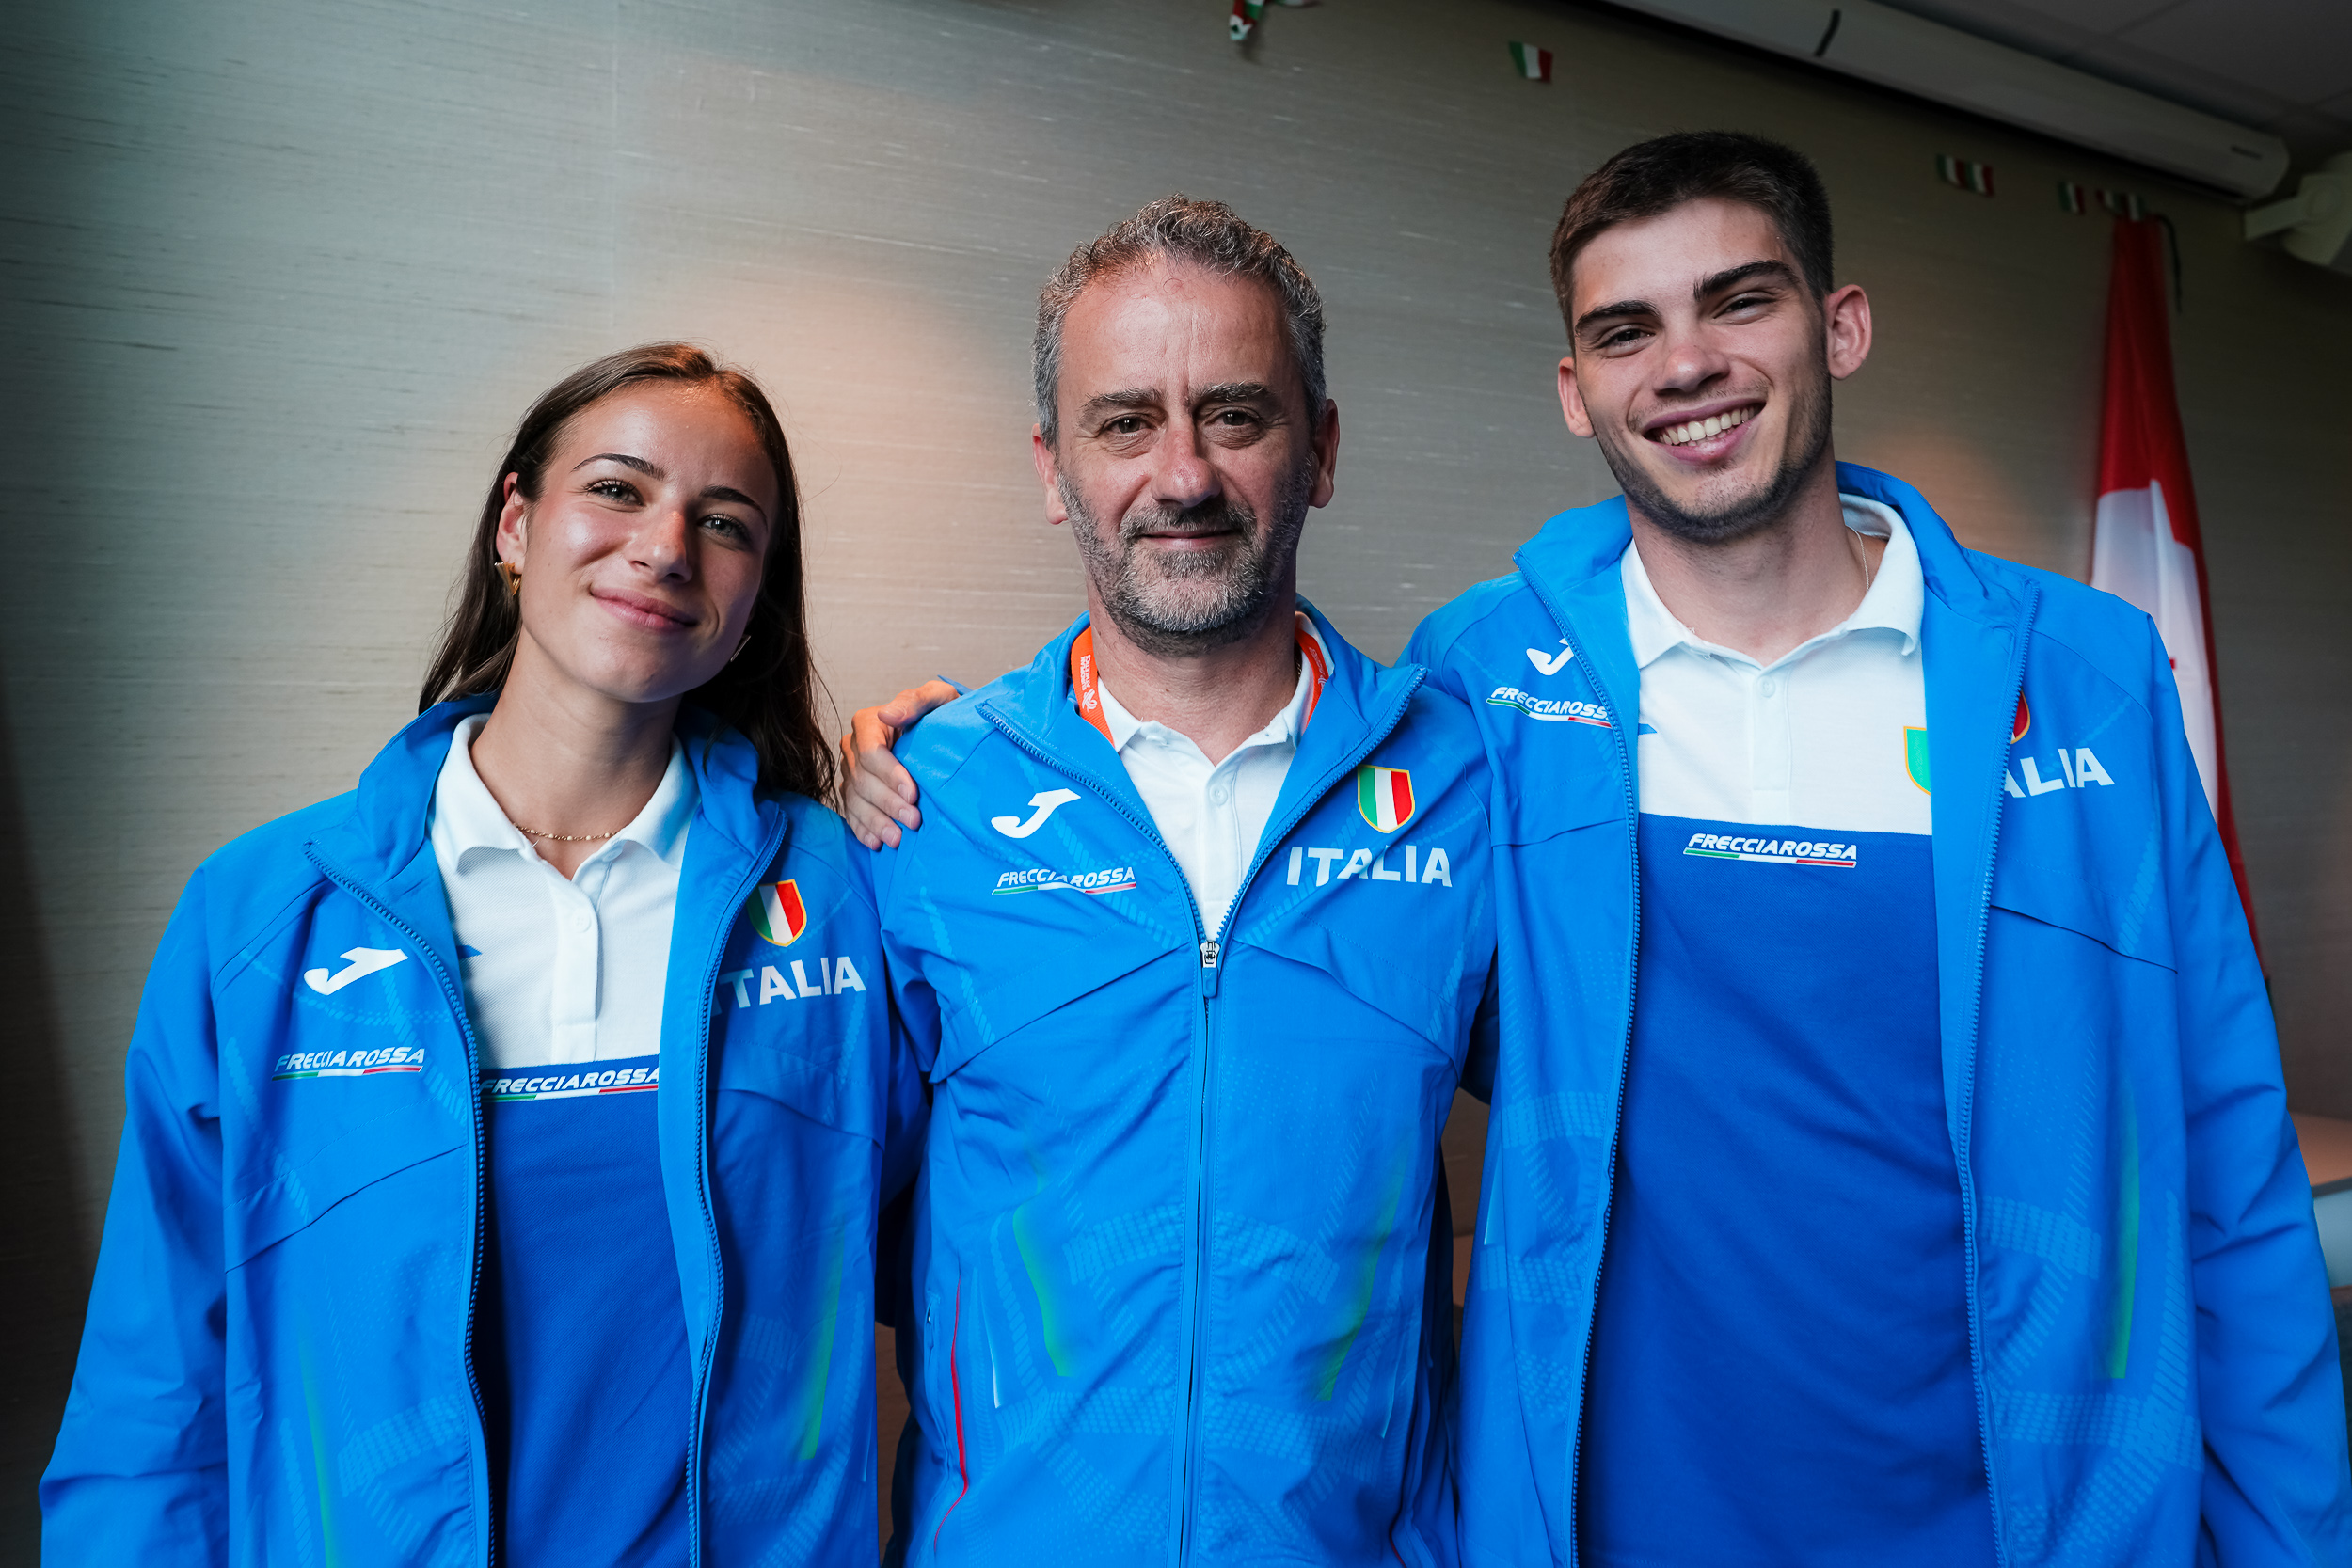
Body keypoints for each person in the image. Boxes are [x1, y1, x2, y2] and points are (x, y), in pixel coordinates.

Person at [846, 137, 2351, 1565]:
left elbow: (2229, 1167)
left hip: (2034, 1510)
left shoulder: (2080, 681)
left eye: (1738, 302)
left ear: (1840, 326)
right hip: (1603, 1519)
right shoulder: (1480, 697)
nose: (1685, 365)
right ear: (1578, 390)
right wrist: (871, 766)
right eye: (1628, 330)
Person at [43, 343, 916, 1566]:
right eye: (617, 489)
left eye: (725, 523)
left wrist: (969, 794)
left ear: (755, 600)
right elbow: (156, 1393)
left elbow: (992, 1243)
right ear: (515, 525)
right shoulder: (258, 916)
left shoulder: (849, 898)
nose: (666, 547)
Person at [861, 198, 1496, 1565]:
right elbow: (807, 1222)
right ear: (1054, 467)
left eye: (1236, 415)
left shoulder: (1470, 782)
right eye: (1125, 423)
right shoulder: (926, 801)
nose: (1184, 474)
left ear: (1321, 449)